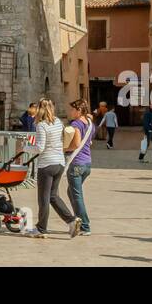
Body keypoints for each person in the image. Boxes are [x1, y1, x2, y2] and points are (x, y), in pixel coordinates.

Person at [25, 99, 80, 239]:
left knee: (43, 198)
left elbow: (40, 148)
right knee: (53, 196)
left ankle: (41, 228)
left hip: (47, 165)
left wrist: (24, 147)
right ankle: (71, 221)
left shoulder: (41, 125)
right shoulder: (58, 122)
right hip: (59, 163)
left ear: (40, 110)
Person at [65, 99, 94, 237]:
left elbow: (76, 144)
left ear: (79, 111)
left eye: (72, 110)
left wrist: (64, 148)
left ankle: (84, 225)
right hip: (87, 163)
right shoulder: (89, 123)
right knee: (71, 192)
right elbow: (90, 141)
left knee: (77, 196)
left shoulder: (76, 124)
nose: (70, 112)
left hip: (76, 163)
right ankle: (79, 220)